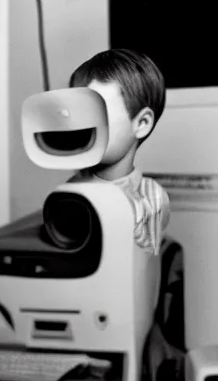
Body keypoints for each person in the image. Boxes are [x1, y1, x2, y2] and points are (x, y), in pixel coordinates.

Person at [68, 48, 171, 255]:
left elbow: (142, 264)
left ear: (141, 123)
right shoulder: (71, 191)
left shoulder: (152, 198)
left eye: (99, 110)